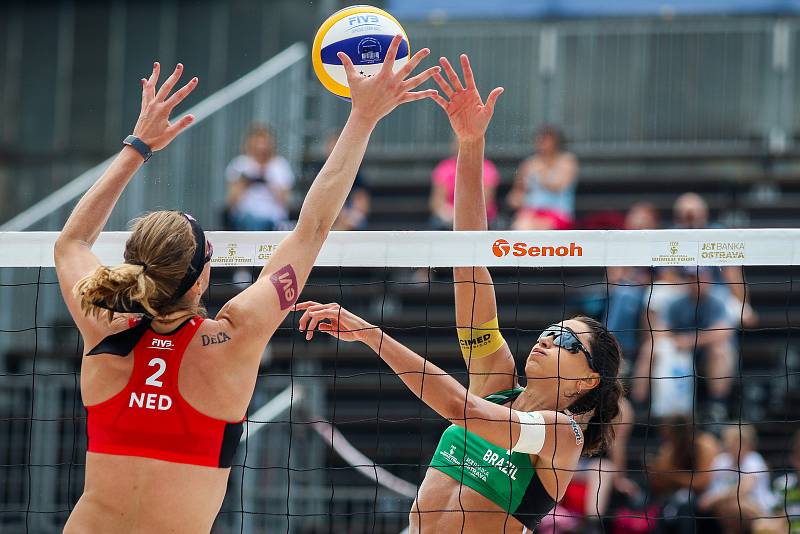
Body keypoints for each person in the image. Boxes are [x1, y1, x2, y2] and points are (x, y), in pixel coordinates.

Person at [54, 42, 440, 533]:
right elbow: (313, 228)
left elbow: (70, 244)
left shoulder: (103, 329)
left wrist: (138, 145)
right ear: (201, 278)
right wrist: (362, 118)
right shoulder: (233, 338)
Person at [296, 54, 624, 534]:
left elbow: (461, 409)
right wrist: (471, 146)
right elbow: (469, 264)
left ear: (588, 380)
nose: (550, 338)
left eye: (569, 342)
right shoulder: (499, 383)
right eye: (554, 330)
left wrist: (370, 333)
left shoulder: (562, 435)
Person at [648, 415, 720, 534]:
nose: (664, 436)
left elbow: (702, 483)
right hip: (678, 497)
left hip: (709, 496)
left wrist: (671, 475)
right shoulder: (670, 447)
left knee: (685, 504)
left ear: (679, 432)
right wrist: (656, 472)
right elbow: (659, 483)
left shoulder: (704, 444)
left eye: (668, 433)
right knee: (664, 505)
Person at [698, 424, 776, 533]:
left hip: (758, 508)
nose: (730, 444)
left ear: (748, 444)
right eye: (728, 440)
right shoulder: (721, 461)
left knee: (735, 505)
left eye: (736, 441)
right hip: (726, 509)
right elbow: (709, 494)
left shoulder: (753, 459)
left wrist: (717, 498)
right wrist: (715, 498)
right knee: (727, 506)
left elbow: (744, 490)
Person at [224, 124, 294, 231]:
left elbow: (285, 201)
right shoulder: (239, 164)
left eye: (265, 143)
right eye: (258, 142)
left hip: (273, 218)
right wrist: (245, 182)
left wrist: (268, 181)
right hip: (245, 217)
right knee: (252, 221)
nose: (261, 147)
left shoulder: (280, 165)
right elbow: (231, 202)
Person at [507, 125, 578, 230]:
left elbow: (558, 186)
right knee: (520, 225)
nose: (541, 143)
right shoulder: (529, 163)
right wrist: (516, 199)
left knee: (530, 227)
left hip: (558, 213)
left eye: (546, 140)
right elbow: (518, 191)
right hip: (531, 212)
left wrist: (541, 170)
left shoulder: (567, 161)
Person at [429, 136, 500, 230]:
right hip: (448, 218)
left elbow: (485, 201)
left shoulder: (487, 168)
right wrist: (448, 213)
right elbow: (436, 201)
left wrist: (462, 217)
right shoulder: (444, 168)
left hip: (480, 218)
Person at [323, 130, 371, 231]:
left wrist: (347, 215)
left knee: (354, 220)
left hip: (349, 213)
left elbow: (363, 204)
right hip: (328, 213)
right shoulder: (321, 172)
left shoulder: (355, 172)